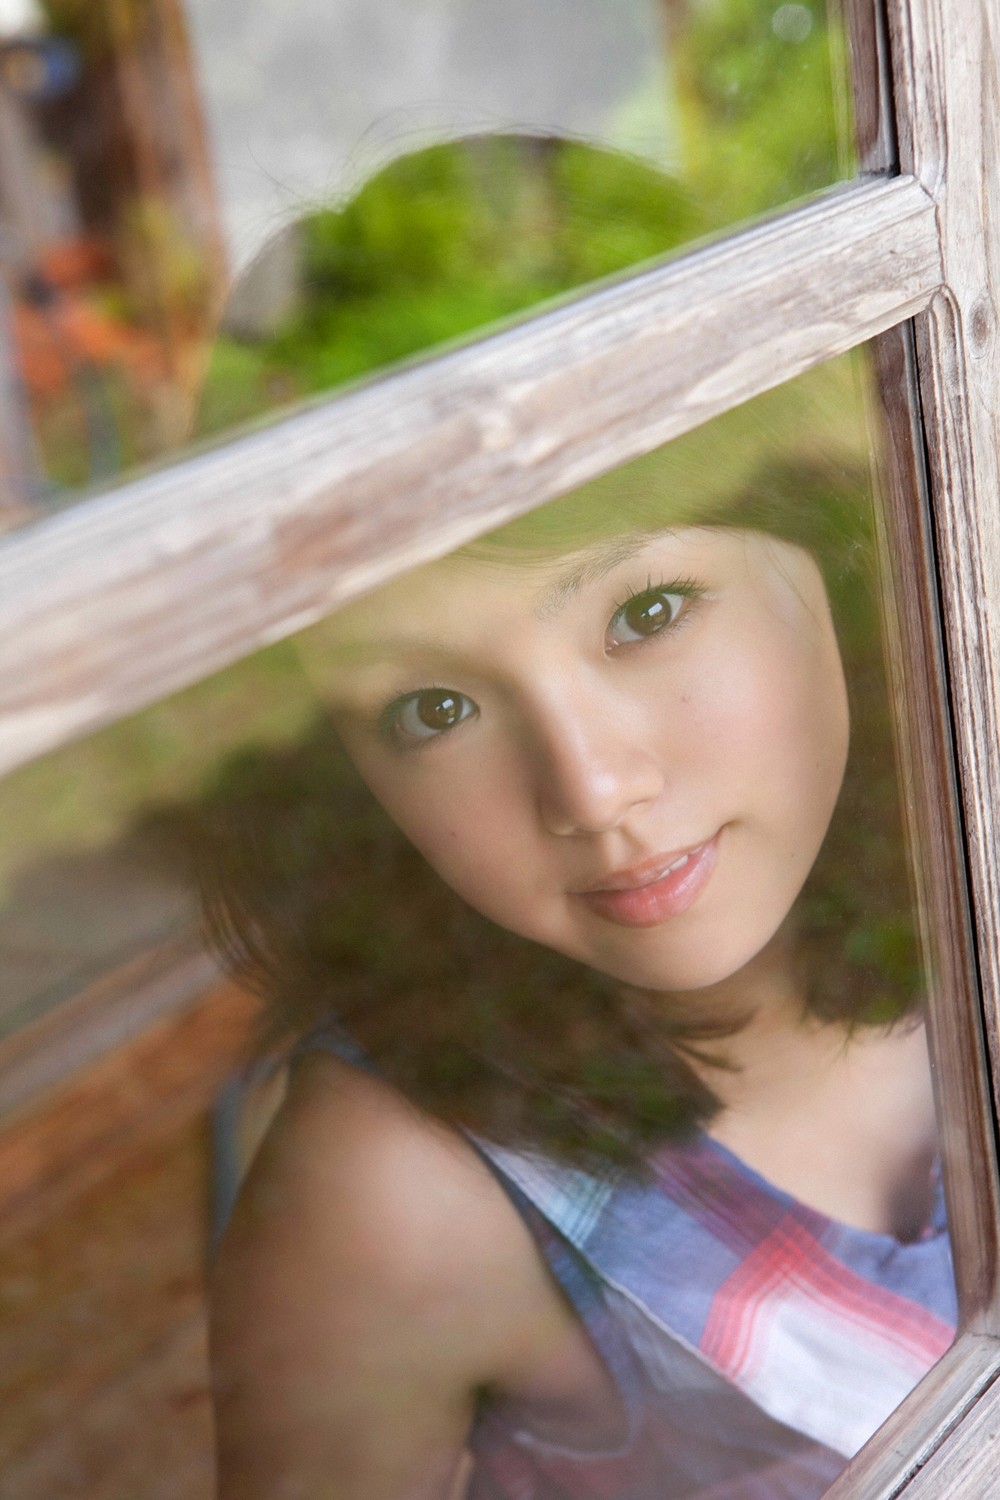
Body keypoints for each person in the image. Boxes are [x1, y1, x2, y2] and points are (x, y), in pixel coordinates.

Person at [201, 138, 956, 1500]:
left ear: (830, 550)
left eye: (647, 612)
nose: (593, 792)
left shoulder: (973, 846)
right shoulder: (398, 1198)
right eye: (433, 709)